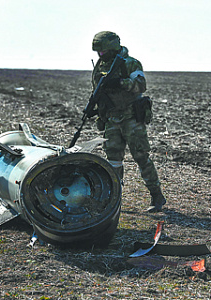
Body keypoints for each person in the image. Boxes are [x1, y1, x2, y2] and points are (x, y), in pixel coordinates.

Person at [90, 31, 166, 213]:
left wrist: (121, 83)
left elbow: (141, 85)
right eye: (98, 53)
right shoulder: (100, 67)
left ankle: (156, 195)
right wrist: (100, 113)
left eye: (103, 51)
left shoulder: (130, 63)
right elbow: (97, 92)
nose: (100, 55)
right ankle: (114, 198)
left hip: (132, 117)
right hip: (112, 118)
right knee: (113, 160)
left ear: (112, 47)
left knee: (141, 157)